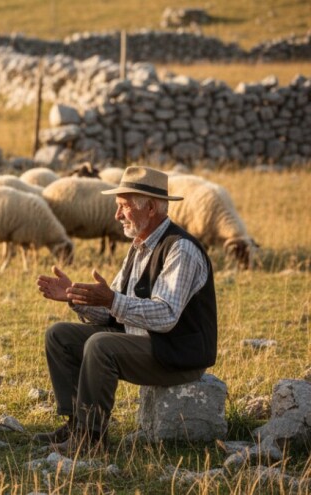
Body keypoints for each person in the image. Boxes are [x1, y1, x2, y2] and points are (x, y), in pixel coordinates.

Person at [35, 166, 217, 456]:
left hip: (177, 355)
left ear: (153, 208)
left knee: (100, 344)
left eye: (124, 207)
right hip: (146, 343)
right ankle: (76, 426)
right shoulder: (138, 247)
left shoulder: (180, 249)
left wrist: (110, 300)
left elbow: (166, 315)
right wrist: (75, 298)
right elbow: (113, 311)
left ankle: (91, 441)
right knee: (59, 335)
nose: (117, 216)